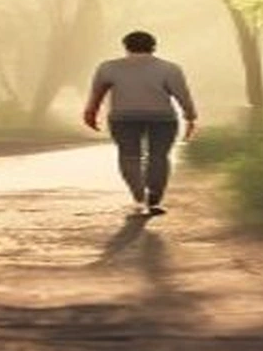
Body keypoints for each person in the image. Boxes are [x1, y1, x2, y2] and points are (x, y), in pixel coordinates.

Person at [82, 30, 197, 216]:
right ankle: (154, 200)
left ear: (126, 46)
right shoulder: (169, 68)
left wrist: (91, 113)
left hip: (123, 117)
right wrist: (190, 116)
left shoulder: (109, 67)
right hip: (162, 118)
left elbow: (97, 93)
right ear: (154, 46)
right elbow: (182, 95)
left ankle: (138, 197)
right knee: (159, 157)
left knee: (129, 156)